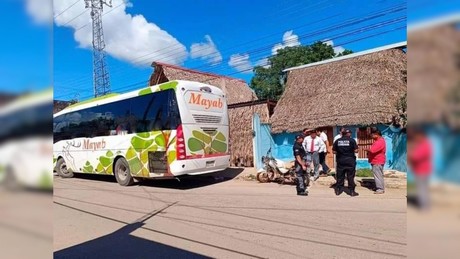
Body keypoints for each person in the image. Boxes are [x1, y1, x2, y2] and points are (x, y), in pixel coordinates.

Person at [407, 128, 432, 210]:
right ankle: (425, 204)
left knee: (422, 188)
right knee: (423, 188)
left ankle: (424, 206)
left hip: (422, 170)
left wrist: (410, 153)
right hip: (422, 169)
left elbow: (416, 157)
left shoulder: (423, 145)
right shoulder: (423, 144)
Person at [333, 129, 359, 197]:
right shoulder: (352, 140)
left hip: (340, 160)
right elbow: (356, 150)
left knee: (340, 176)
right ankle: (352, 191)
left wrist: (341, 152)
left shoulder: (337, 141)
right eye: (350, 133)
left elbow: (334, 151)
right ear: (348, 134)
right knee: (350, 176)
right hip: (350, 161)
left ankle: (338, 190)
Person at [367, 129, 386, 194]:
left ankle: (380, 189)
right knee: (379, 175)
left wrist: (366, 149)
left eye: (372, 135)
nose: (371, 136)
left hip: (377, 161)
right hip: (377, 160)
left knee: (377, 175)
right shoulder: (379, 141)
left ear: (376, 135)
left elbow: (373, 150)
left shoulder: (379, 142)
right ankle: (380, 187)